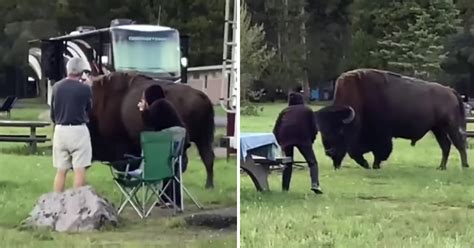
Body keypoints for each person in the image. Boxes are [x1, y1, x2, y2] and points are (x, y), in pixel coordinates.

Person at [138, 84, 189, 208]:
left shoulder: (159, 104)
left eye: (144, 98)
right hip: (178, 137)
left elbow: (149, 123)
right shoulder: (163, 104)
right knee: (169, 167)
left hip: (173, 138)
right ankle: (165, 198)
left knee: (170, 168)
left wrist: (143, 110)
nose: (143, 100)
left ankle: (173, 200)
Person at [50, 57, 92, 193]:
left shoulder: (56, 87)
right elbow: (89, 109)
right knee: (79, 170)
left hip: (60, 130)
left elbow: (53, 112)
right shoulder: (85, 89)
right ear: (81, 72)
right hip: (78, 130)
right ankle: (76, 204)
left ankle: (56, 202)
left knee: (61, 171)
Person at [273, 92, 322, 194]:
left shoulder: (285, 111)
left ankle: (285, 189)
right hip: (302, 136)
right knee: (312, 162)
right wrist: (311, 140)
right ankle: (315, 184)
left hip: (285, 137)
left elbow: (276, 129)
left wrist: (280, 142)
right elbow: (314, 128)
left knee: (288, 162)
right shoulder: (307, 110)